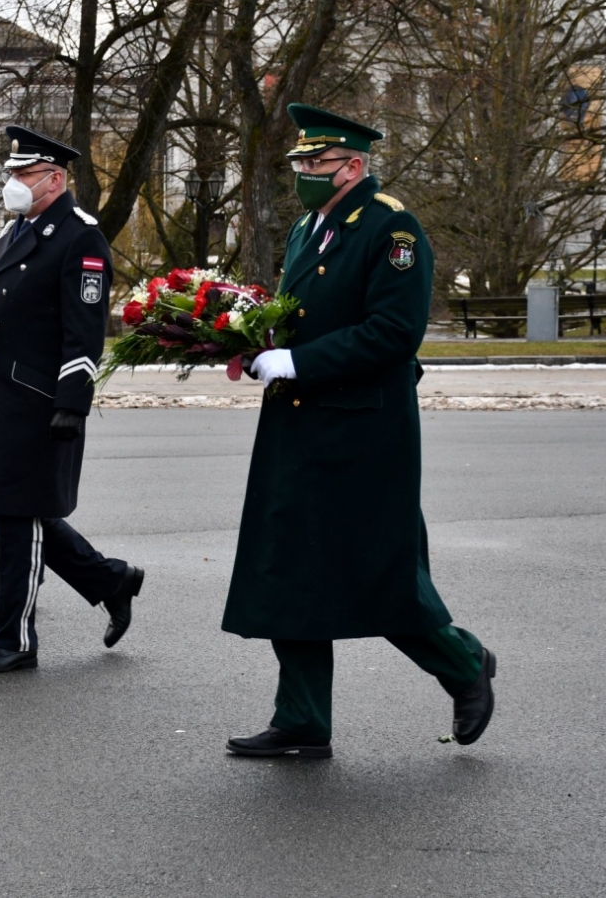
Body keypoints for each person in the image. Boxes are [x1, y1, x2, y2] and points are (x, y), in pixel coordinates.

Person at [222, 104, 496, 759]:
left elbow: (395, 333)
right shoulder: (305, 230)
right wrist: (251, 336)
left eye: (316, 163)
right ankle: (303, 717)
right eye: (300, 163)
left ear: (354, 165)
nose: (304, 173)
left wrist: (300, 361)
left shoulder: (391, 227)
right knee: (291, 566)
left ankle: (464, 666)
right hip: (299, 422)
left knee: (374, 571)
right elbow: (303, 313)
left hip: (364, 431)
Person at [0, 126, 144, 674]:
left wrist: (71, 402)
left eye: (22, 174)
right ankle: (111, 578)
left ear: (54, 179)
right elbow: (2, 311)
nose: (12, 183)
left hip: (38, 401)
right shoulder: (18, 230)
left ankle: (13, 642)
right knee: (17, 509)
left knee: (19, 520)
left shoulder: (80, 236)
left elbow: (83, 333)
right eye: (11, 174)